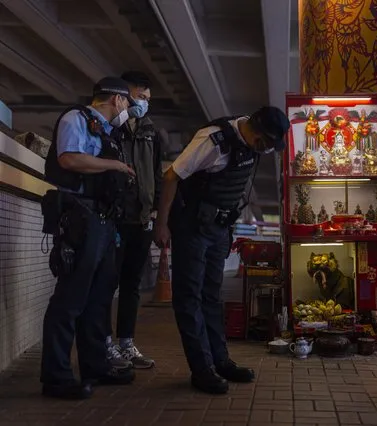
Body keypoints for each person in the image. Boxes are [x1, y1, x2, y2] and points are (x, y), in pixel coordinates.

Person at [154, 107, 289, 394]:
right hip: (191, 226)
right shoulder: (212, 140)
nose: (266, 150)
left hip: (217, 228)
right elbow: (170, 176)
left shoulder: (250, 147)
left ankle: (221, 361)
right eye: (266, 143)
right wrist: (162, 225)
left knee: (211, 298)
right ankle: (201, 370)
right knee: (189, 298)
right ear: (255, 131)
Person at [40, 77, 138, 399]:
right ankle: (56, 377)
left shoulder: (108, 132)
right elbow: (68, 158)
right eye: (127, 102)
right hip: (81, 218)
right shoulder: (76, 119)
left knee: (98, 300)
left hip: (104, 221)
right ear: (117, 100)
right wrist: (115, 165)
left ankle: (95, 365)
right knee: (70, 300)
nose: (128, 109)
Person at [105, 71, 162, 370]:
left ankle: (126, 343)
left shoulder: (151, 130)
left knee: (131, 285)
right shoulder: (108, 128)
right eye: (141, 96)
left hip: (140, 220)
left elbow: (158, 173)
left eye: (147, 99)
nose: (144, 103)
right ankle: (104, 344)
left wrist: (154, 211)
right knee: (105, 283)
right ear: (124, 93)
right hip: (112, 218)